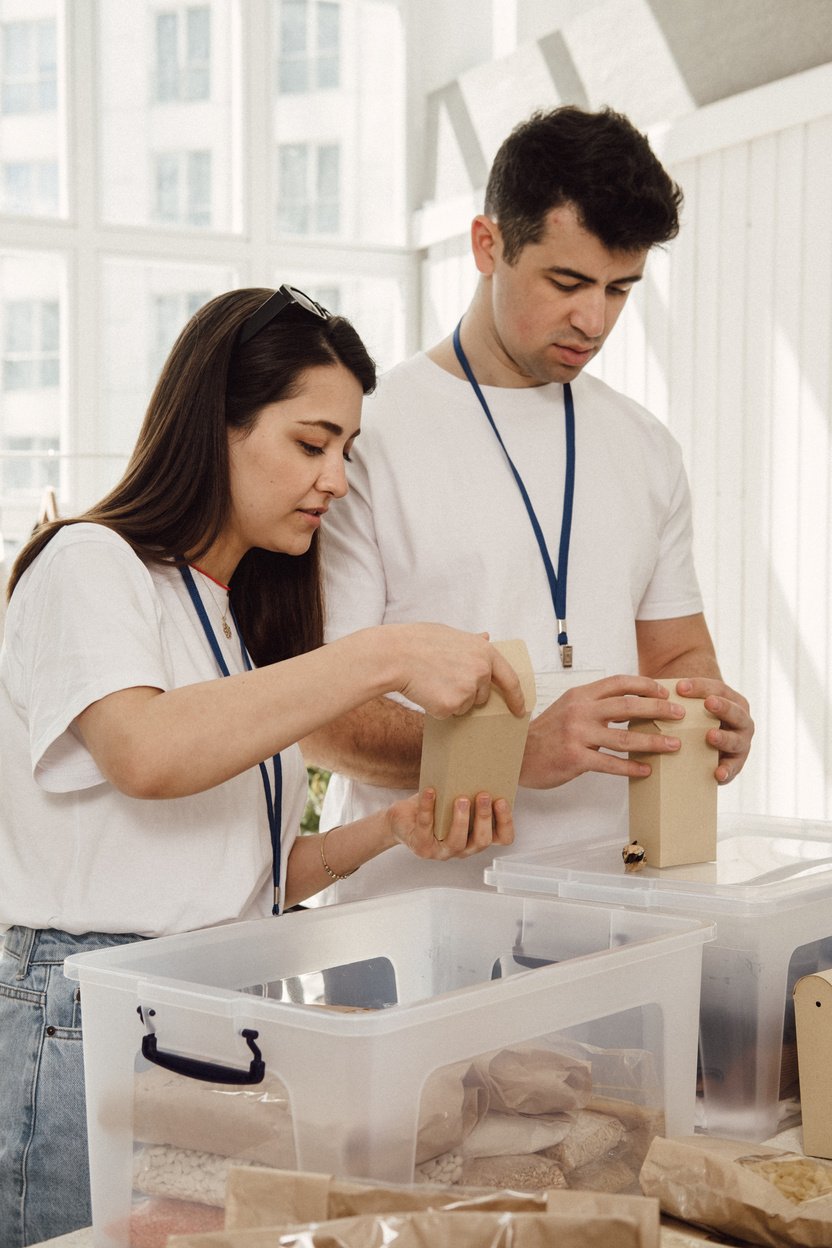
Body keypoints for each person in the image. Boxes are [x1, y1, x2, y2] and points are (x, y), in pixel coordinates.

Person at [0, 285, 525, 1248]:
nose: (335, 478)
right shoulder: (90, 563)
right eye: (311, 442)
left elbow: (246, 876)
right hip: (94, 1016)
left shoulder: (232, 625)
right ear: (218, 425)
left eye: (348, 452)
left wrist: (387, 830)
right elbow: (148, 756)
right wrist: (386, 654)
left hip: (205, 1015)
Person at [302, 106, 755, 904]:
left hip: (617, 906)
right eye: (568, 282)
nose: (596, 320)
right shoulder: (364, 435)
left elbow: (679, 656)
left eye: (622, 289)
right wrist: (518, 751)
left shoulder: (645, 445)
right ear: (488, 245)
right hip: (414, 919)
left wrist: (708, 709)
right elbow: (324, 718)